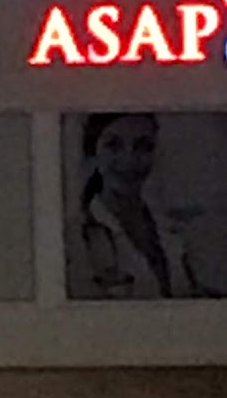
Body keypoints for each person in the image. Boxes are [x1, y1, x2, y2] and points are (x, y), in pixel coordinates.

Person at [67, 112, 209, 299]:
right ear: (93, 154)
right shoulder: (75, 237)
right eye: (113, 145)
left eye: (143, 146)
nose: (129, 160)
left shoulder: (171, 231)